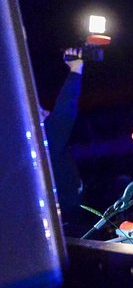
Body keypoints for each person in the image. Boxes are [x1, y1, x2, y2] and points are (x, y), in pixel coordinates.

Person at [42, 47, 86, 236]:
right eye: (41, 112)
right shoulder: (44, 142)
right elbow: (64, 112)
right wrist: (76, 70)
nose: (47, 112)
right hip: (67, 217)